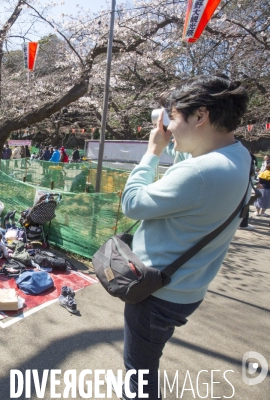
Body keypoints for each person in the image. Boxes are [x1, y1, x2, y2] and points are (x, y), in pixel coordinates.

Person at [120, 75, 251, 399]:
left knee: (140, 378)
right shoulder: (239, 157)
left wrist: (153, 152)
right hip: (187, 288)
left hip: (156, 293)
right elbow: (195, 177)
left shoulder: (200, 173)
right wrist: (177, 142)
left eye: (175, 117)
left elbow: (132, 204)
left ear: (201, 116)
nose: (170, 125)